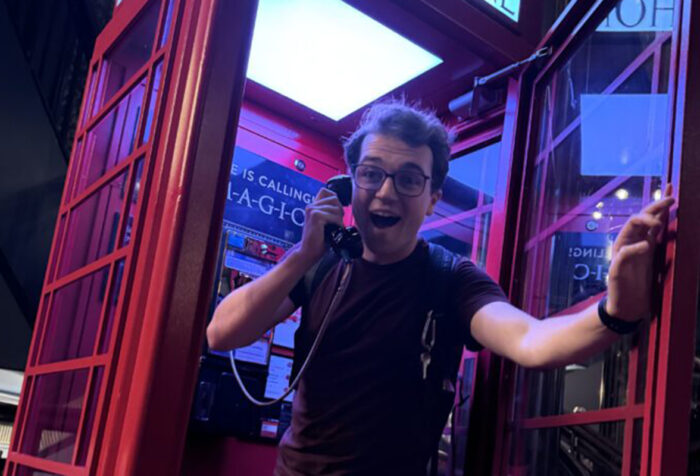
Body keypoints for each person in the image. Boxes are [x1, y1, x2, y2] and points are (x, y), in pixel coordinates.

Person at [206, 101, 674, 475]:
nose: (386, 192)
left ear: (432, 198)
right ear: (350, 185)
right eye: (371, 174)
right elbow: (221, 334)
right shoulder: (318, 264)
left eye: (409, 179)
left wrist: (616, 312)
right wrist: (303, 255)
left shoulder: (450, 278)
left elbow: (530, 340)